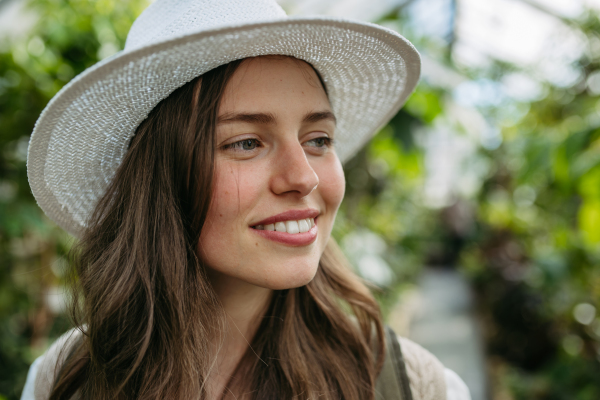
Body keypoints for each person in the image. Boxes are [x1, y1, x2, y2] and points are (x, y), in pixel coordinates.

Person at [22, 0, 472, 399]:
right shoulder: (63, 381)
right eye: (246, 143)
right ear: (160, 177)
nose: (303, 177)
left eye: (318, 139)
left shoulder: (412, 385)